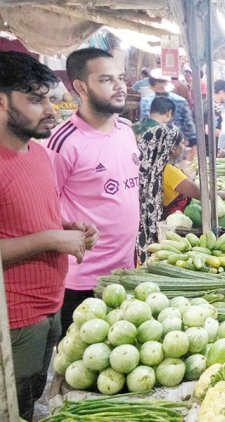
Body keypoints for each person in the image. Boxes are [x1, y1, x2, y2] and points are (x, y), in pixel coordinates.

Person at [0, 51, 98, 422]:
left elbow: (31, 218)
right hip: (12, 318)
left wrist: (67, 229)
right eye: (36, 100)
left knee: (31, 399)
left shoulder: (38, 154)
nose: (52, 110)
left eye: (50, 99)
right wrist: (51, 240)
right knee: (11, 406)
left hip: (49, 308)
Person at [44, 48, 140, 335]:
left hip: (125, 273)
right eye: (107, 80)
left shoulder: (126, 129)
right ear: (80, 87)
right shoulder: (63, 142)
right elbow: (46, 208)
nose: (120, 86)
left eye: (120, 78)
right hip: (82, 281)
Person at [137, 124, 225, 263]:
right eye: (182, 143)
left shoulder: (153, 168)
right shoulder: (170, 172)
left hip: (162, 227)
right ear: (172, 148)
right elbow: (204, 194)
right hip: (176, 233)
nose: (184, 147)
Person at [139, 68, 197, 148]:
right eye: (158, 83)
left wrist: (193, 142)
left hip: (175, 144)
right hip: (153, 144)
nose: (161, 86)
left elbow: (188, 124)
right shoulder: (146, 102)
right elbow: (143, 123)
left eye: (163, 82)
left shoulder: (180, 101)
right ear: (152, 86)